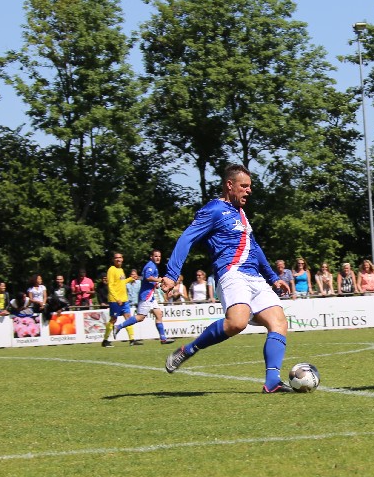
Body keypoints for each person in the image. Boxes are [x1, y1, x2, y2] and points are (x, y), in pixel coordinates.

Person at [161, 164, 295, 392]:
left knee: (279, 322)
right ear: (229, 185)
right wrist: (172, 274)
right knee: (237, 323)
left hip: (255, 277)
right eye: (244, 186)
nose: (249, 190)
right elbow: (186, 238)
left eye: (250, 186)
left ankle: (272, 382)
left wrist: (273, 277)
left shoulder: (241, 214)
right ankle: (189, 349)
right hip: (231, 273)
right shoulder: (213, 210)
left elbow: (254, 247)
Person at [113, 249, 173, 344]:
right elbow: (147, 277)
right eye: (156, 256)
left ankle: (163, 339)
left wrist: (163, 287)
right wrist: (158, 280)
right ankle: (118, 327)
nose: (158, 258)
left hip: (151, 296)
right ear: (151, 257)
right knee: (140, 317)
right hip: (146, 296)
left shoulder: (154, 266)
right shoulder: (150, 266)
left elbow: (152, 282)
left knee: (159, 314)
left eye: (159, 256)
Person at [103, 252, 140, 347]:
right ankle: (105, 340)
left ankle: (132, 339)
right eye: (116, 258)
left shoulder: (121, 270)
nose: (118, 259)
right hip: (115, 300)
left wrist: (130, 279)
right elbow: (110, 286)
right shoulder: (111, 270)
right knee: (113, 319)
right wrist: (117, 298)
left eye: (120, 257)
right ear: (113, 260)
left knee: (128, 318)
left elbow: (122, 282)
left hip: (124, 299)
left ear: (122, 259)